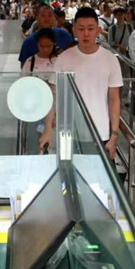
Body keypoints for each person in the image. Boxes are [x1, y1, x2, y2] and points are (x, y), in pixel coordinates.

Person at [42, 8, 122, 160]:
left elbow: (114, 99)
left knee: (99, 179)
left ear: (98, 30)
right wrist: (48, 129)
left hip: (101, 132)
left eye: (90, 29)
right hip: (69, 131)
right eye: (81, 29)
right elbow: (54, 96)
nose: (86, 33)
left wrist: (114, 134)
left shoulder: (110, 59)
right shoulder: (64, 58)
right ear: (74, 31)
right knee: (70, 177)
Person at [19, 28, 58, 152]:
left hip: (57, 105)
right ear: (37, 44)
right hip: (37, 106)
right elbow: (23, 83)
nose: (46, 49)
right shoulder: (31, 62)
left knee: (55, 140)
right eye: (42, 46)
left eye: (49, 46)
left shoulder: (59, 61)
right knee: (41, 139)